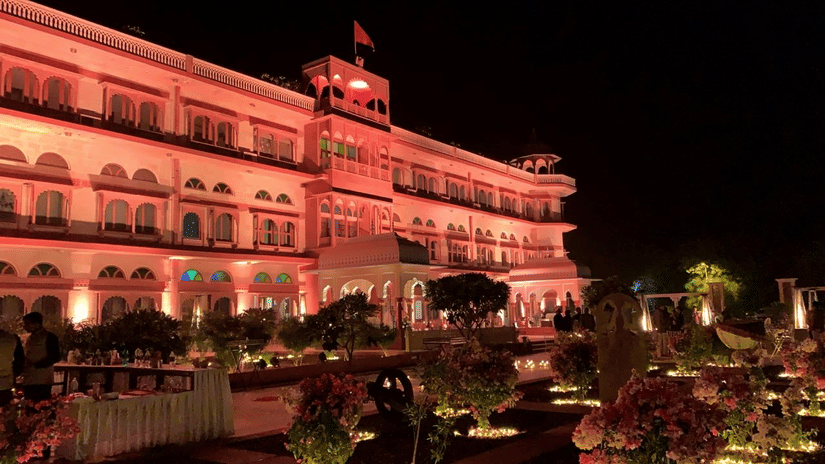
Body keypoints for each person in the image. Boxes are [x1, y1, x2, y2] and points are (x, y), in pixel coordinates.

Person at [21, 312, 60, 402]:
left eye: (27, 324)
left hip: (42, 381)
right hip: (28, 379)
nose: (25, 326)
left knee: (41, 407)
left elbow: (55, 356)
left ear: (36, 324)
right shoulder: (29, 338)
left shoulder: (49, 337)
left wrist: (36, 365)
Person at [0, 327, 24, 406]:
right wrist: (15, 374)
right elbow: (20, 360)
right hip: (6, 381)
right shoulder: (12, 338)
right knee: (5, 409)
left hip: (7, 381)